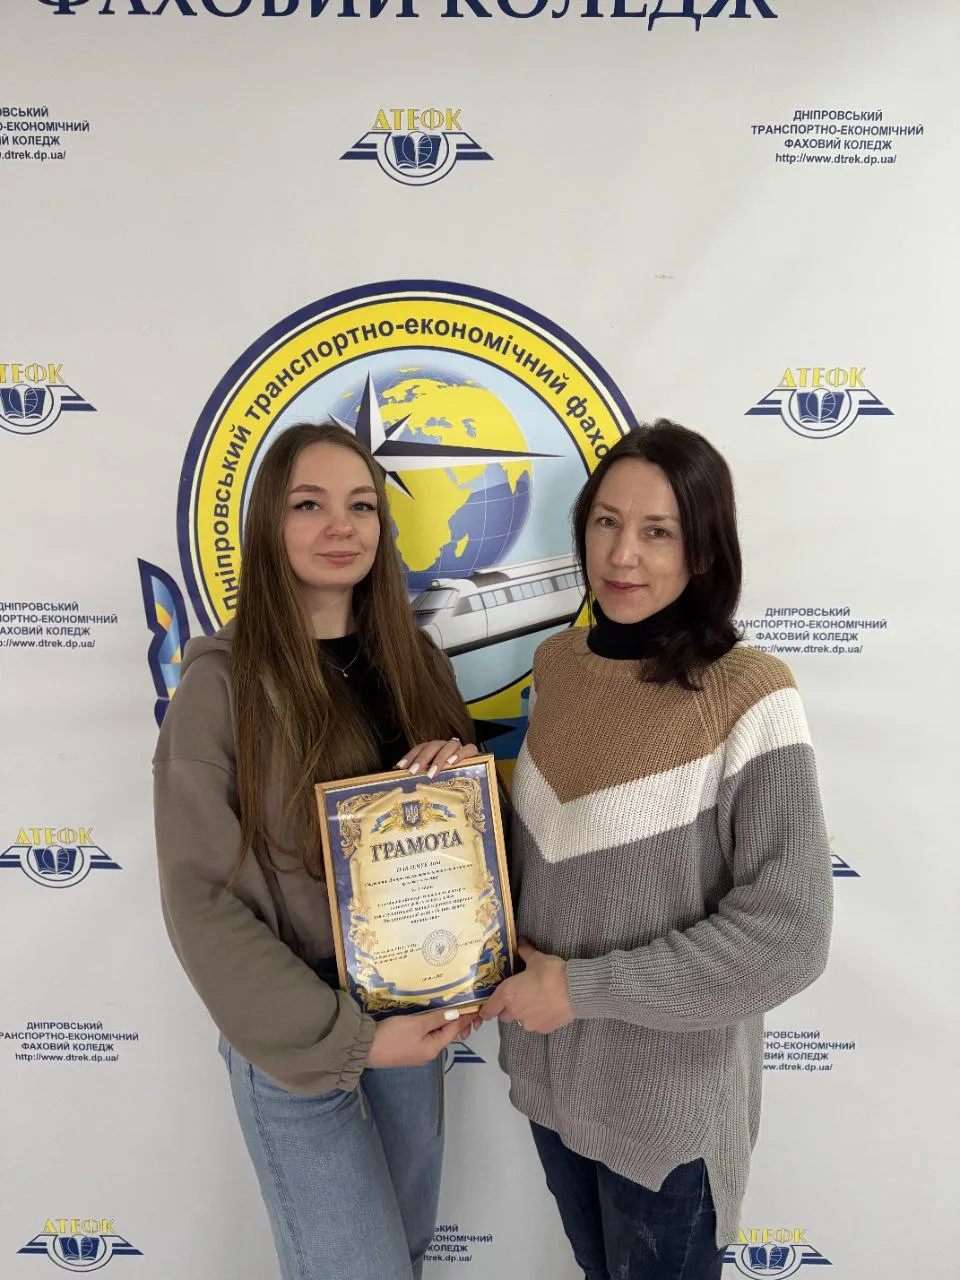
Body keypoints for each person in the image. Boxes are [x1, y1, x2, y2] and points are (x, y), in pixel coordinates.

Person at [482, 420, 834, 1280]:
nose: (622, 555)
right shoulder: (558, 664)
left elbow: (790, 935)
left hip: (667, 1117)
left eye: (658, 532)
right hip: (551, 1085)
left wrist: (581, 989)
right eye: (606, 522)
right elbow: (556, 850)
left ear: (703, 551)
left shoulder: (751, 694)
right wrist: (454, 789)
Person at [153, 421, 482, 1280]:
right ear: (270, 523)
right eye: (309, 505)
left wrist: (461, 780)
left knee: (403, 1257)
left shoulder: (418, 665)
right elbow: (200, 899)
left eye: (362, 505)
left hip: (411, 1021)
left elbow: (471, 856)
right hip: (296, 1045)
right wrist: (349, 1042)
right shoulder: (219, 685)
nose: (341, 526)